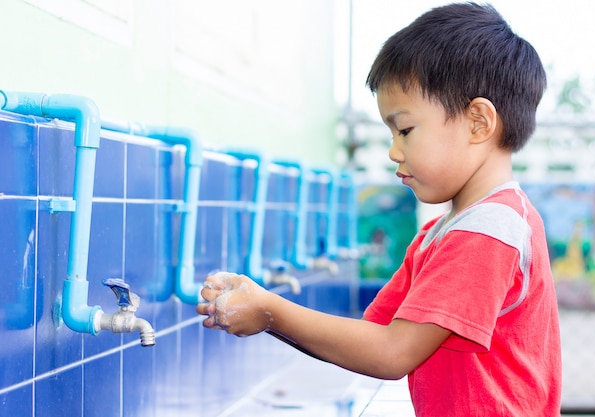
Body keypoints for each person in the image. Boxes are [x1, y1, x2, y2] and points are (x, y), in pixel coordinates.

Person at [196, 2, 562, 415]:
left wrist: (269, 311)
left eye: (405, 130)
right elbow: (371, 341)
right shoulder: (442, 234)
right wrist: (262, 311)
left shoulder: (488, 230)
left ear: (478, 122)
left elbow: (392, 354)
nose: (393, 151)